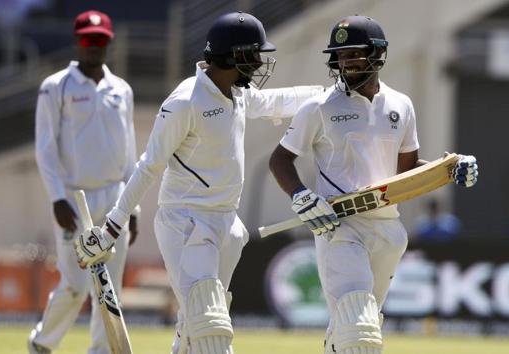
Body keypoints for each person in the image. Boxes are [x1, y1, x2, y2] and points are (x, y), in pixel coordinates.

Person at [74, 11, 324, 354]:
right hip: (186, 223)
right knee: (211, 329)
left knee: (193, 329)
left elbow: (274, 101)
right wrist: (111, 229)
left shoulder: (235, 93)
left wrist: (329, 93)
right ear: (233, 56)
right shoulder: (184, 102)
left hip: (226, 224)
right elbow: (149, 166)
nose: (258, 63)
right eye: (253, 55)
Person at [268, 15, 479, 354]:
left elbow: (407, 170)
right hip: (339, 225)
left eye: (355, 53)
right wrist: (301, 196)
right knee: (359, 326)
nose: (347, 62)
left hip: (388, 230)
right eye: (341, 55)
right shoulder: (318, 107)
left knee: (360, 322)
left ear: (377, 54)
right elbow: (279, 159)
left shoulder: (400, 105)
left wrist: (448, 170)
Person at [29, 10, 139, 354]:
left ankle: (100, 351)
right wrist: (57, 197)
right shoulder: (55, 87)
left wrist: (131, 207)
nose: (95, 47)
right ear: (78, 41)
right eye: (89, 40)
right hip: (75, 200)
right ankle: (42, 344)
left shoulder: (121, 89)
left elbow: (129, 151)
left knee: (109, 287)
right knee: (75, 285)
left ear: (108, 43)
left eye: (101, 41)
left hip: (114, 197)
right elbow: (45, 149)